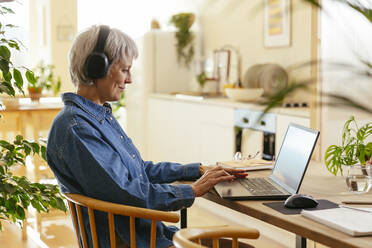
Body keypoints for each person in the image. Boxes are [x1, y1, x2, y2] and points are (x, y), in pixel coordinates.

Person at [46, 25, 247, 248]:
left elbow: (140, 171)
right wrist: (192, 190)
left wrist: (196, 170)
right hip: (131, 241)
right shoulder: (77, 128)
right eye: (124, 70)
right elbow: (127, 192)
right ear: (97, 68)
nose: (130, 79)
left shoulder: (96, 116)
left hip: (146, 235)